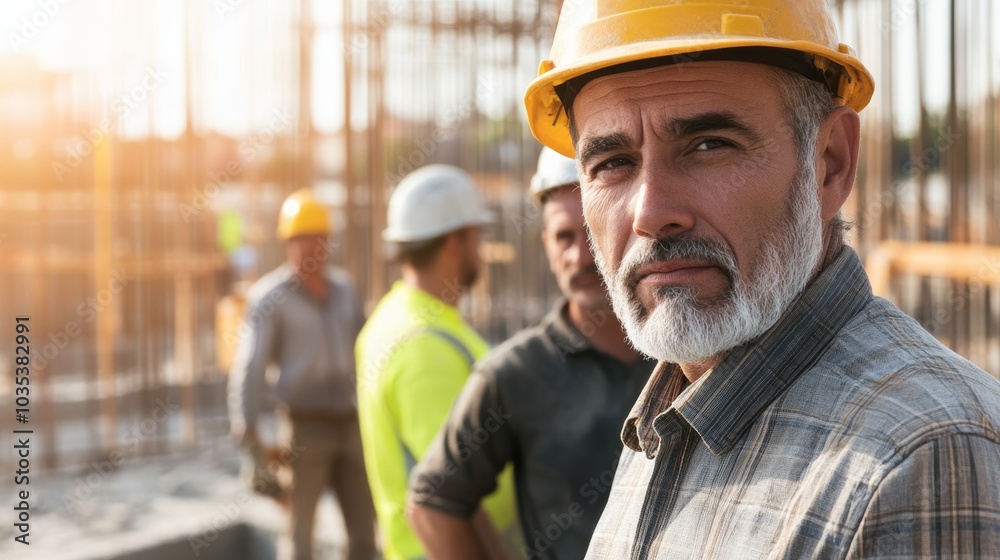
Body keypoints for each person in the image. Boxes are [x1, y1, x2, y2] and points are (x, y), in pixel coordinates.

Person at [522, 0, 1000, 558]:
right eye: (611, 163)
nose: (650, 213)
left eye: (708, 145)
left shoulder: (921, 456)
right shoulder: (666, 418)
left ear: (830, 163)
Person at [407, 148, 657, 560]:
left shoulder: (690, 353)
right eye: (563, 237)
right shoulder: (515, 373)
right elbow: (434, 500)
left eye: (591, 232)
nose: (579, 256)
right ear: (546, 245)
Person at [355, 165, 520, 560]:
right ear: (453, 242)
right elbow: (455, 493)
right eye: (476, 238)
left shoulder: (394, 317)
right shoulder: (424, 346)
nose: (480, 252)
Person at [228, 189, 376, 560]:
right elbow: (251, 365)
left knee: (364, 534)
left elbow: (367, 348)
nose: (312, 247)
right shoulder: (270, 297)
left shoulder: (344, 290)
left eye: (319, 238)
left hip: (351, 423)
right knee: (300, 536)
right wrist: (247, 429)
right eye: (302, 239)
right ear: (288, 243)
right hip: (304, 429)